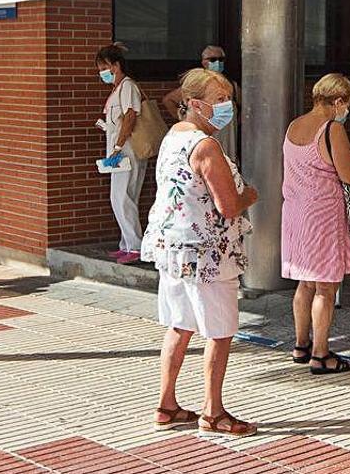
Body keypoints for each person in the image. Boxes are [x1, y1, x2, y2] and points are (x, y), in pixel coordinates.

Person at [140, 68, 259, 438]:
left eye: (229, 98)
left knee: (180, 325)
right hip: (208, 253)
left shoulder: (174, 137)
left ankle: (167, 404)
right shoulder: (205, 146)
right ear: (194, 104)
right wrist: (250, 195)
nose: (228, 106)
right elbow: (228, 206)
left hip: (174, 248)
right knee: (219, 331)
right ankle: (214, 412)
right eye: (220, 99)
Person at [281, 73, 350, 375]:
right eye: (347, 104)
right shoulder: (332, 129)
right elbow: (349, 176)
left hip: (294, 214)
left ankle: (301, 345)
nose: (347, 110)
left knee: (304, 283)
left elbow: (314, 164)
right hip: (323, 216)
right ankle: (321, 354)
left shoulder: (294, 126)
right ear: (339, 101)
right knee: (325, 289)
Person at [95, 43, 149, 265]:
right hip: (119, 150)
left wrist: (117, 146)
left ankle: (134, 247)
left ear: (115, 66)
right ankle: (126, 244)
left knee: (121, 198)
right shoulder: (118, 89)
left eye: (104, 67)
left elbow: (130, 117)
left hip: (125, 151)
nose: (102, 72)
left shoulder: (127, 87)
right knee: (123, 198)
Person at [163, 45, 239, 160]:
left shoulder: (231, 84)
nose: (217, 62)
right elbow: (168, 100)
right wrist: (185, 120)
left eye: (221, 59)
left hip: (228, 137)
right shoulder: (198, 85)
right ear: (204, 62)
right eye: (213, 60)